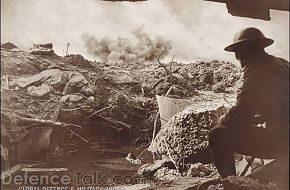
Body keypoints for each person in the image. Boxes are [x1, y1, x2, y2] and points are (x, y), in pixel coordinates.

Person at [208, 27, 289, 187]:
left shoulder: (256, 71)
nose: (238, 58)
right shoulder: (282, 64)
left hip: (282, 141)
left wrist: (222, 119)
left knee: (218, 134)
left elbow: (241, 113)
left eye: (238, 53)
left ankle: (230, 184)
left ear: (243, 52)